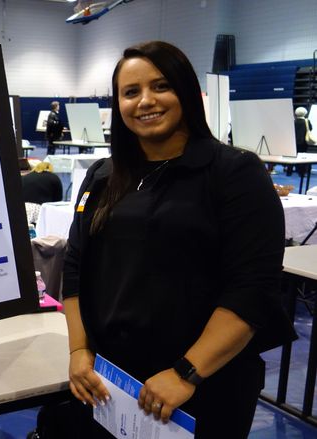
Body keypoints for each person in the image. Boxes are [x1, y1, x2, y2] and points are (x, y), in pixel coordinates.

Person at [61, 41, 295, 438]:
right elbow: (75, 265)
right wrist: (79, 350)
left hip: (203, 384)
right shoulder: (103, 175)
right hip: (111, 383)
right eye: (131, 92)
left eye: (161, 86)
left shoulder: (234, 173)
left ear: (185, 91)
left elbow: (252, 289)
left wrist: (187, 373)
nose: (146, 101)